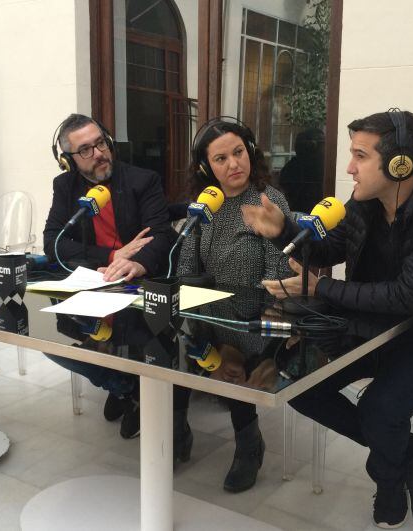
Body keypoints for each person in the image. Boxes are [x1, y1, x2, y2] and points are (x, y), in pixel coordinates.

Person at [242, 109, 413, 528]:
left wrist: (318, 288)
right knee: (299, 383)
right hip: (372, 331)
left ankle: (388, 477)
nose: (350, 168)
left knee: (379, 408)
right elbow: (326, 250)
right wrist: (284, 229)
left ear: (400, 164)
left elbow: (410, 296)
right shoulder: (364, 203)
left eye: (359, 155)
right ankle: (410, 452)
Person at [174, 117, 292, 493]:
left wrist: (228, 341)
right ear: (207, 167)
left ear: (251, 151)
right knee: (170, 346)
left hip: (256, 317)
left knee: (238, 360)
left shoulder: (268, 201)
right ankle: (176, 430)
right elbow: (187, 270)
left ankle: (248, 442)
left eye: (238, 152)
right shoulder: (204, 206)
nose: (233, 164)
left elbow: (279, 280)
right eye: (221, 159)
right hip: (211, 313)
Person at [43, 113, 176, 438]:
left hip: (139, 286)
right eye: (85, 149)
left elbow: (161, 235)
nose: (99, 153)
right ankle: (126, 389)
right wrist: (112, 256)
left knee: (141, 339)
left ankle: (136, 394)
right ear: (69, 160)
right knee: (54, 341)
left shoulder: (142, 180)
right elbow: (53, 241)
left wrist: (138, 262)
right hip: (96, 284)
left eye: (101, 143)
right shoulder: (65, 186)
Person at [278, 127, 325, 214]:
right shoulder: (292, 167)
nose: (324, 149)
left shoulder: (323, 166)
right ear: (312, 146)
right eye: (322, 145)